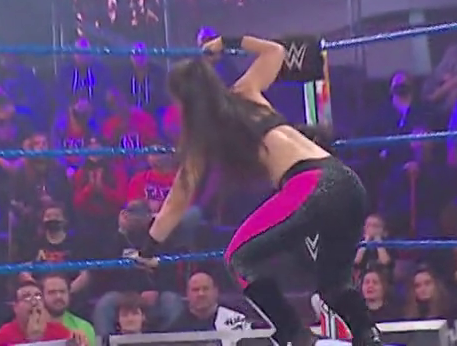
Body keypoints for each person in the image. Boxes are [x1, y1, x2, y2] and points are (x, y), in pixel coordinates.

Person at [132, 33, 376, 346]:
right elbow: (275, 52)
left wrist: (148, 248)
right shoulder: (246, 91)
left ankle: (294, 335)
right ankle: (370, 337)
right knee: (334, 285)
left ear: (183, 102)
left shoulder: (203, 136)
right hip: (347, 181)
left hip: (311, 185)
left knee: (239, 258)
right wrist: (227, 42)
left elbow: (178, 199)